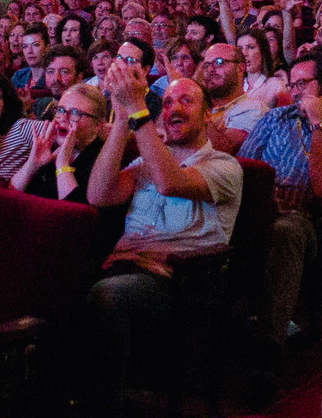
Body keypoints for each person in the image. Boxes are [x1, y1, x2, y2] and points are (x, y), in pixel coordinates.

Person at [86, 61, 243, 411]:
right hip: (127, 267)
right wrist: (123, 116)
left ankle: (104, 408)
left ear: (207, 116)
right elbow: (98, 194)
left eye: (186, 101)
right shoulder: (147, 161)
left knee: (108, 295)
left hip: (182, 283)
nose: (173, 108)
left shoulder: (225, 166)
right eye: (168, 103)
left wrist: (139, 109)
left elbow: (169, 182)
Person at [240, 45, 322, 349]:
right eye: (291, 85)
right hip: (260, 210)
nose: (294, 91)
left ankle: (268, 345)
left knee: (286, 230)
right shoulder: (275, 118)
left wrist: (318, 126)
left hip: (314, 223)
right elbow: (242, 170)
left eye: (302, 84)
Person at [10, 83, 107, 201]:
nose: (63, 118)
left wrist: (62, 165)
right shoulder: (49, 148)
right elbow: (9, 198)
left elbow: (75, 215)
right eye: (60, 110)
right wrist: (33, 164)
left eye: (75, 113)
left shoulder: (104, 160)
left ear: (97, 125)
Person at [197, 42, 265, 154]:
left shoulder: (254, 108)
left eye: (218, 62)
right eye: (206, 65)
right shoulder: (205, 107)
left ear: (240, 68)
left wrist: (196, 101)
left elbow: (224, 150)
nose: (210, 70)